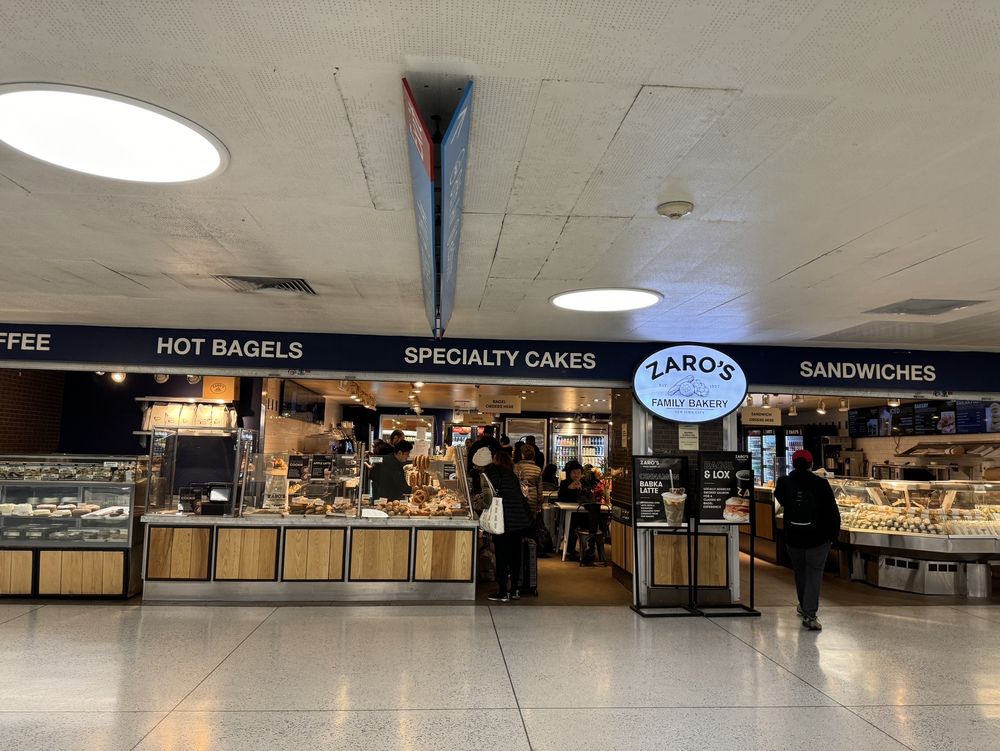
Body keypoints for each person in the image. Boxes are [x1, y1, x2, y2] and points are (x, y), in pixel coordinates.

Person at [774, 449, 841, 632]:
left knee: (800, 572)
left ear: (793, 464)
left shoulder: (784, 482)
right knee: (814, 573)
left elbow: (781, 500)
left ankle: (804, 606)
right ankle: (810, 614)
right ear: (811, 464)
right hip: (818, 537)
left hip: (793, 536)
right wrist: (834, 536)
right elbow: (832, 511)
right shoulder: (820, 483)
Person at [482, 451, 534, 602]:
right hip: (518, 520)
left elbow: (488, 496)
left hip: (502, 520)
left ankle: (503, 591)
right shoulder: (511, 474)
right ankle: (515, 590)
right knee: (515, 556)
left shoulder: (492, 472)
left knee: (502, 555)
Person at [558, 460, 601, 561]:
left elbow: (591, 496)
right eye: (574, 473)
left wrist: (582, 489)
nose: (576, 475)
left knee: (593, 521)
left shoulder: (584, 482)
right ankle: (570, 550)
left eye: (578, 473)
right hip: (572, 513)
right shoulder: (565, 483)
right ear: (569, 473)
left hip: (585, 514)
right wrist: (570, 489)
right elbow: (561, 498)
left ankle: (590, 549)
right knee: (572, 524)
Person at [467, 426, 501, 492]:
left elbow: (470, 459)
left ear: (483, 433)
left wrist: (470, 471)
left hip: (477, 476)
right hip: (495, 476)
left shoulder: (476, 444)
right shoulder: (497, 445)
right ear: (493, 433)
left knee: (478, 495)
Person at [515, 444, 543, 515]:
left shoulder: (516, 468)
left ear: (522, 455)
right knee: (531, 522)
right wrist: (539, 504)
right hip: (533, 501)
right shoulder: (537, 469)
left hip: (518, 500)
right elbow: (539, 490)